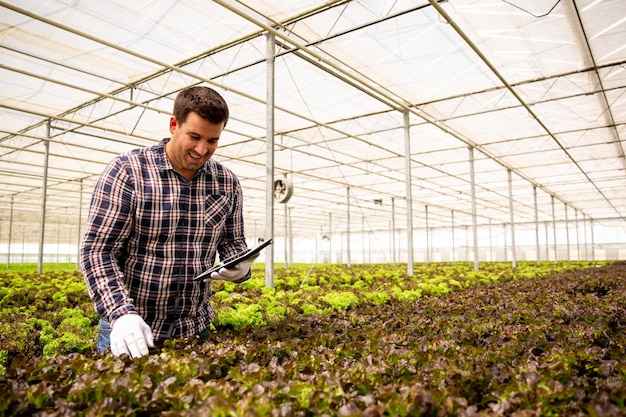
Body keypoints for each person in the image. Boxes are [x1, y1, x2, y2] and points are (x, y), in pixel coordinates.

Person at [80, 86, 257, 359]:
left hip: (195, 331)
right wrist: (121, 314)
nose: (202, 149)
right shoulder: (128, 172)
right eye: (194, 136)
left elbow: (233, 243)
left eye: (212, 140)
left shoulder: (227, 182)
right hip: (133, 331)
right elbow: (97, 251)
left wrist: (241, 267)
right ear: (174, 125)